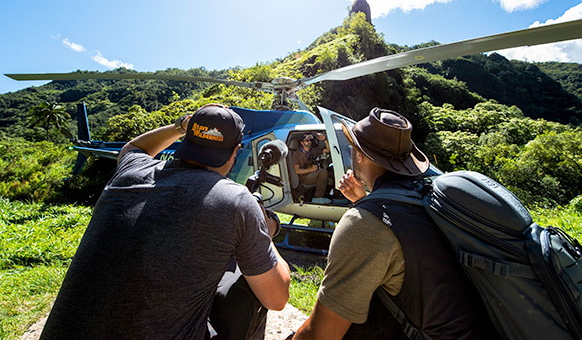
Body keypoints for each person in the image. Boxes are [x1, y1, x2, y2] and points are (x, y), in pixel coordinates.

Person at [40, 104, 290, 340]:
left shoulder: (131, 170)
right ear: (235, 152)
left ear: (186, 140)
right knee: (248, 278)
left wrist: (180, 126)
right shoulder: (237, 200)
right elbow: (276, 299)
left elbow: (133, 147)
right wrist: (265, 235)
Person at [291, 108, 494, 340]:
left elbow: (320, 334)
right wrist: (364, 201)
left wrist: (364, 209)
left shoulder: (365, 224)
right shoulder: (427, 199)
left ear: (359, 155)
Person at [292, 132, 330, 204]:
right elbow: (297, 171)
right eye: (307, 140)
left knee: (329, 171)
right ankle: (318, 197)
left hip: (313, 174)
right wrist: (311, 169)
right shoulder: (297, 154)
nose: (309, 142)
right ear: (302, 143)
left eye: (310, 140)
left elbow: (327, 150)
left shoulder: (313, 150)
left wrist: (324, 140)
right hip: (304, 178)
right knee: (323, 172)